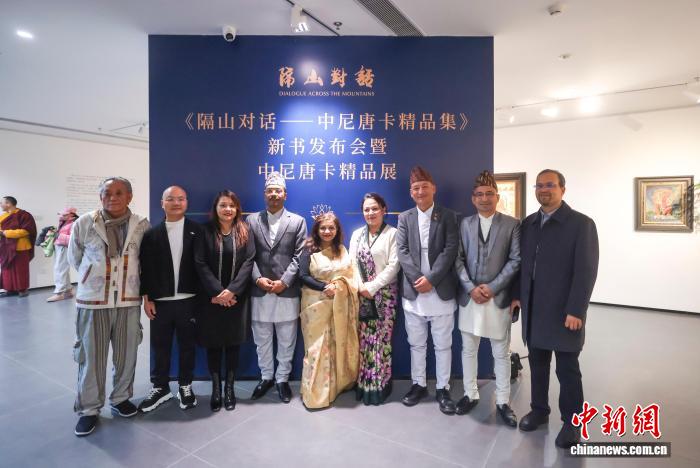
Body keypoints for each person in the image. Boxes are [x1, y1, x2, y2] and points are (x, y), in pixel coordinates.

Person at [512, 169, 599, 449]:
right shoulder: (528, 224)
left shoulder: (581, 224)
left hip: (564, 312)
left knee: (567, 369)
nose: (544, 190)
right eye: (539, 185)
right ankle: (539, 410)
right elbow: (521, 267)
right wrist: (516, 296)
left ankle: (573, 422)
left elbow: (586, 271)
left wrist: (577, 309)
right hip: (535, 310)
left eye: (550, 185)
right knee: (537, 364)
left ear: (563, 189)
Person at [68, 177, 149, 437]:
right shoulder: (85, 222)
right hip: (93, 302)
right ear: (100, 196)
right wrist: (92, 277)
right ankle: (89, 409)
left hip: (128, 300)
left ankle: (121, 398)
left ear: (129, 196)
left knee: (127, 354)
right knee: (91, 357)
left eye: (119, 193)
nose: (112, 197)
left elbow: (146, 260)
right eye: (107, 193)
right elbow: (74, 257)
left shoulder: (141, 225)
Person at [454, 171, 520, 426]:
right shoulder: (464, 224)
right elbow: (457, 259)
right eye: (479, 194)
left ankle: (503, 401)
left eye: (489, 194)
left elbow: (515, 260)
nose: (484, 198)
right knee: (468, 349)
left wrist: (492, 288)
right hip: (470, 297)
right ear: (473, 198)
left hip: (497, 297)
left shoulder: (512, 224)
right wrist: (471, 288)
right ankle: (470, 394)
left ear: (497, 196)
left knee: (500, 352)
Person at [396, 166, 459, 415]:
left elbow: (450, 249)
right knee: (416, 343)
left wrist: (431, 279)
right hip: (413, 291)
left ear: (434, 189)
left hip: (440, 288)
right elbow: (402, 251)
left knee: (443, 344)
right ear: (410, 192)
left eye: (424, 187)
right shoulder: (405, 217)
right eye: (415, 188)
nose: (420, 191)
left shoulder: (448, 216)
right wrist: (417, 279)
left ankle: (443, 388)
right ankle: (419, 385)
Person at [138, 186, 201, 412]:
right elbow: (145, 269)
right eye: (171, 199)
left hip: (189, 299)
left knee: (187, 346)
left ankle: (185, 385)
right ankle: (160, 387)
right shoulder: (151, 234)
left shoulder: (197, 231)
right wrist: (147, 299)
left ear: (186, 203)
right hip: (161, 301)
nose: (176, 203)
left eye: (181, 199)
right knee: (160, 346)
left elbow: (203, 267)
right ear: (162, 203)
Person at [247, 172, 307, 403]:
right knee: (261, 338)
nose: (274, 194)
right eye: (270, 191)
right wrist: (257, 279)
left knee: (286, 338)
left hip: (286, 290)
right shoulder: (252, 220)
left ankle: (282, 379)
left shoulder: (298, 221)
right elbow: (247, 255)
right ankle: (266, 377)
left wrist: (285, 281)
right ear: (264, 194)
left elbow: (300, 255)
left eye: (278, 191)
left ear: (285, 195)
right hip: (259, 289)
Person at [194, 190, 255, 412]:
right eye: (223, 205)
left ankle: (229, 388)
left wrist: (232, 292)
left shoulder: (245, 231)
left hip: (237, 299)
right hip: (210, 299)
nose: (227, 209)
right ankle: (216, 389)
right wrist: (219, 293)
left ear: (237, 208)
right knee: (213, 343)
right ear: (216, 208)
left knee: (232, 344)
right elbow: (200, 263)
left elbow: (249, 262)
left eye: (231, 205)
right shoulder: (204, 231)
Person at [299, 210, 359, 409]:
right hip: (316, 305)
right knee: (317, 349)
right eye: (323, 228)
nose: (327, 231)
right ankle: (314, 395)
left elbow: (351, 275)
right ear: (317, 230)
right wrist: (325, 287)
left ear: (337, 230)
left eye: (331, 228)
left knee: (334, 346)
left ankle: (334, 388)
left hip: (339, 305)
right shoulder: (309, 249)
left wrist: (338, 286)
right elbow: (303, 276)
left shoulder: (341, 250)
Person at [349, 193, 400, 405]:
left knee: (381, 341)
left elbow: (394, 265)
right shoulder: (356, 235)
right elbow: (351, 263)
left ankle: (380, 385)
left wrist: (372, 286)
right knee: (364, 341)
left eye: (375, 208)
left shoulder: (393, 234)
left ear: (384, 210)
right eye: (366, 209)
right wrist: (362, 287)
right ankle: (365, 383)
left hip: (385, 297)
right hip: (362, 295)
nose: (370, 213)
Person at [0, 196, 37, 298]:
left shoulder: (24, 215)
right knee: (7, 270)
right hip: (5, 247)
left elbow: (26, 231)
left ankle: (22, 290)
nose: (0, 205)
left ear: (8, 204)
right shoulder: (2, 216)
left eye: (2, 203)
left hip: (20, 247)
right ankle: (10, 289)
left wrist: (6, 233)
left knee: (21, 269)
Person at [47, 207, 78, 302]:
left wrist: (58, 236)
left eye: (64, 214)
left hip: (65, 248)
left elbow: (73, 239)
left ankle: (59, 293)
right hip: (60, 247)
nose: (61, 216)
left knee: (60, 269)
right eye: (61, 214)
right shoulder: (64, 222)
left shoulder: (74, 224)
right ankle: (68, 291)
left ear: (71, 215)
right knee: (61, 269)